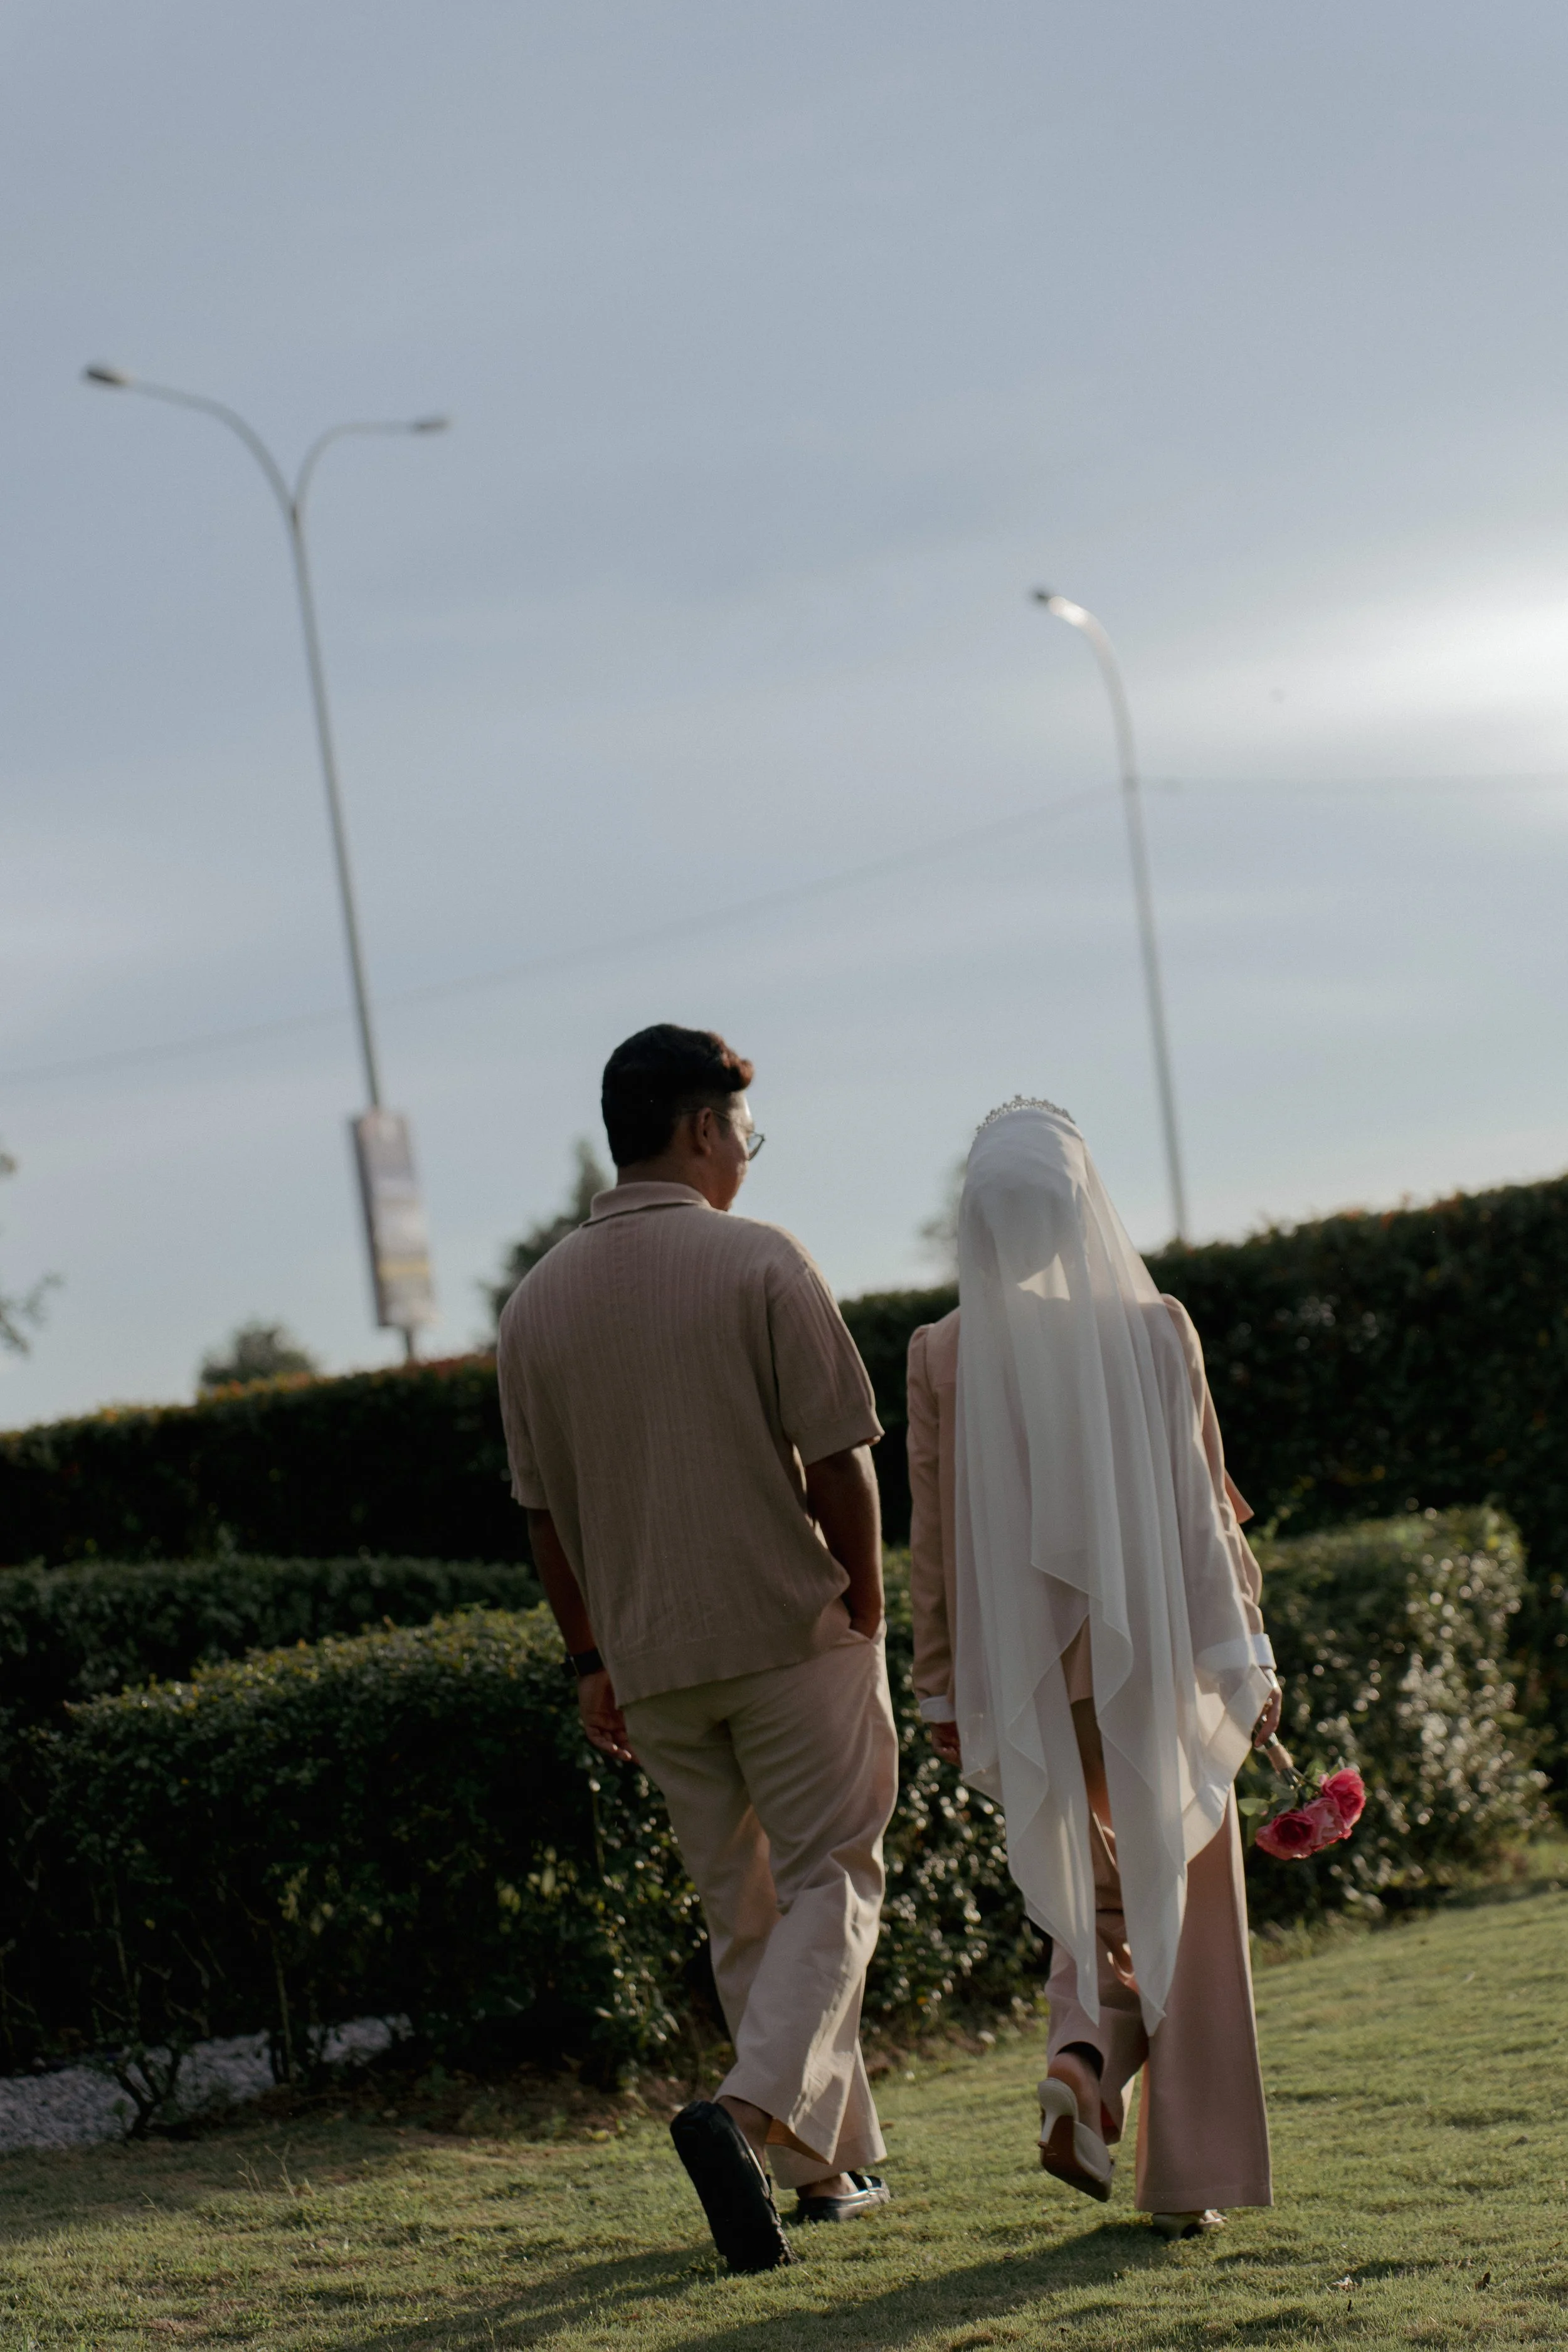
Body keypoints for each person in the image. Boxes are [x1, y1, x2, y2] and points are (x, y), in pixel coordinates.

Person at [496, 1024, 898, 2274]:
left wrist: (586, 1662)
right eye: (740, 1131)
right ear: (696, 1129)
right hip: (787, 1625)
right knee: (837, 1880)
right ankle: (742, 2117)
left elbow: (542, 1518)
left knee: (745, 1914)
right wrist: (867, 1607)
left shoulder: (533, 1305)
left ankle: (825, 2174)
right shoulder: (757, 1259)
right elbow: (838, 1456)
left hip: (649, 1657)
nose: (744, 1155)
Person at [906, 1096, 1282, 2240]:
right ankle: (1192, 2178)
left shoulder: (942, 1353)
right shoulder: (1153, 1327)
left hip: (1026, 1674)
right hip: (1157, 1655)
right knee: (1193, 1897)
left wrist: (939, 1687)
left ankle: (1082, 2049)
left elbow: (936, 1543)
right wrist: (1246, 1651)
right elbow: (1200, 1512)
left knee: (1095, 1881)